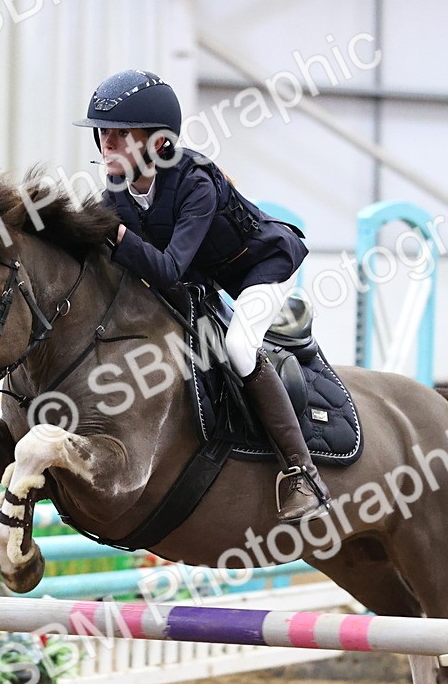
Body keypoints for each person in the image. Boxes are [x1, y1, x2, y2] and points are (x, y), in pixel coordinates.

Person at [74, 69, 331, 526]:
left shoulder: (195, 182)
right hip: (207, 278)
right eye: (103, 133)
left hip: (264, 267)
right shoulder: (117, 193)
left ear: (157, 143)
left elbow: (169, 269)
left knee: (236, 347)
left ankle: (302, 473)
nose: (107, 142)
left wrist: (114, 235)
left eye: (120, 133)